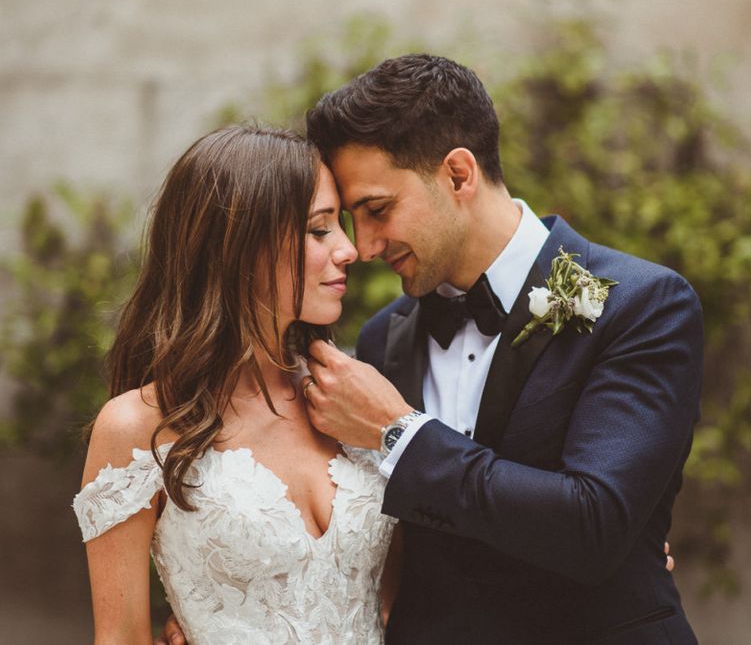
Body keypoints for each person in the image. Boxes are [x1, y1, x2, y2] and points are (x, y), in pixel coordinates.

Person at [292, 54, 702, 644]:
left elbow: (593, 525)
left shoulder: (643, 305)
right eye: (352, 220)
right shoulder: (385, 337)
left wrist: (397, 433)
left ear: (459, 174)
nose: (368, 245)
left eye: (377, 211)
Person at [72, 125, 399, 644]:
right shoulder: (136, 428)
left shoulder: (350, 396)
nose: (349, 249)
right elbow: (120, 638)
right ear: (241, 247)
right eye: (320, 230)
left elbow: (392, 603)